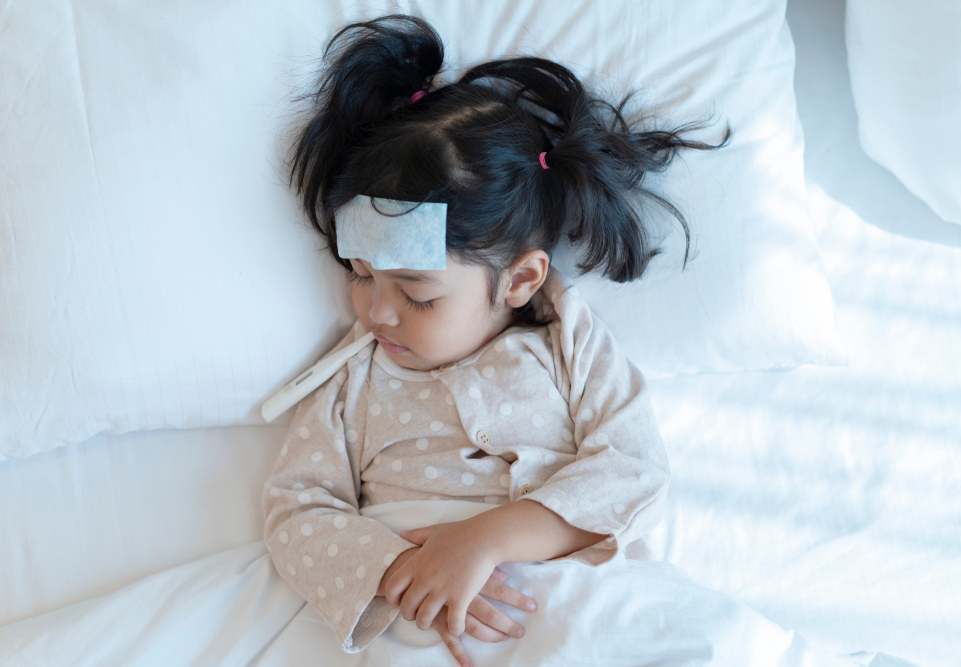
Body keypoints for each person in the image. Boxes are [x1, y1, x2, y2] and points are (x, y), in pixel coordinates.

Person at [263, 13, 741, 667]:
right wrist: (396, 567)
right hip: (420, 608)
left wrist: (487, 539)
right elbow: (296, 508)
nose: (378, 312)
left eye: (418, 294)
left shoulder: (569, 342)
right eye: (362, 274)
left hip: (566, 586)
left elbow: (633, 470)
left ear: (519, 279)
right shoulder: (354, 377)